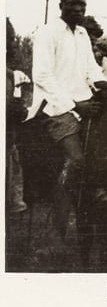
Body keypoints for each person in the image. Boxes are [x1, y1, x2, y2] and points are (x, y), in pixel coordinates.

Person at [25, 0, 107, 227]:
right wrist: (75, 105)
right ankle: (100, 201)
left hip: (83, 101)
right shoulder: (47, 33)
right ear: (61, 5)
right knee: (77, 160)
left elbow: (91, 70)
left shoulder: (83, 34)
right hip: (54, 107)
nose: (77, 9)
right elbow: (42, 77)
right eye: (72, 4)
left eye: (82, 5)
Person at [6, 18, 30, 215]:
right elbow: (15, 109)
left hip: (9, 137)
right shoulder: (10, 75)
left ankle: (16, 202)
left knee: (14, 166)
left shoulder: (12, 74)